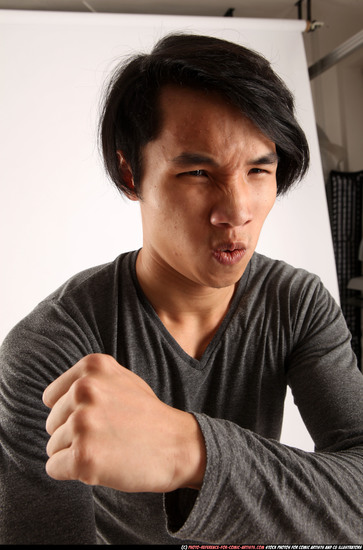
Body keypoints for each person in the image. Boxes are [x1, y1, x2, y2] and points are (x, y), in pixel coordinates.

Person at [0, 33, 362, 545]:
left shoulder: (296, 303)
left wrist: (188, 450)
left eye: (259, 169)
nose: (237, 211)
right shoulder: (51, 347)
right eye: (198, 172)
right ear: (131, 171)